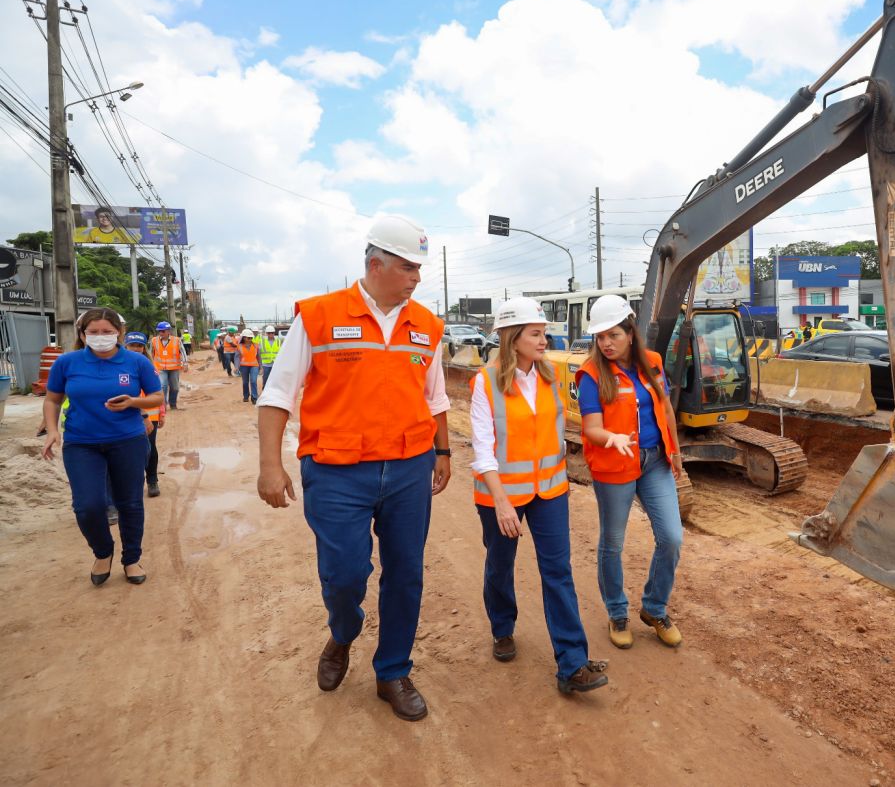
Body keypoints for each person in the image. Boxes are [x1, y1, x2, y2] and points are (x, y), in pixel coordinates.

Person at [257, 215, 452, 722]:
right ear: (375, 264)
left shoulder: (427, 325)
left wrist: (444, 452)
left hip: (408, 467)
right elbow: (277, 394)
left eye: (418, 269)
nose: (416, 278)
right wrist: (270, 466)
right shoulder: (319, 316)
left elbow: (434, 398)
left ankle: (393, 671)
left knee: (406, 573)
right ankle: (342, 633)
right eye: (408, 267)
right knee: (344, 574)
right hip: (337, 470)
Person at [470, 298, 608, 694]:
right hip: (502, 495)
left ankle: (572, 664)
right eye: (536, 333)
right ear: (513, 338)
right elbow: (482, 448)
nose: (544, 340)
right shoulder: (486, 382)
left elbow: (555, 433)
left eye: (544, 332)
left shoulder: (549, 377)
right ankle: (502, 627)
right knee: (500, 564)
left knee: (558, 571)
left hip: (549, 490)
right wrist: (501, 502)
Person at [577, 295, 685, 650]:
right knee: (613, 543)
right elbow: (591, 427)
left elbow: (665, 409)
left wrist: (675, 451)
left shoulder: (652, 362)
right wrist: (612, 438)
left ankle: (654, 608)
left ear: (630, 331)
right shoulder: (592, 374)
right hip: (615, 465)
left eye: (613, 335)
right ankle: (617, 611)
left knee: (672, 538)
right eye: (600, 337)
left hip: (655, 462)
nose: (606, 343)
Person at [41, 309, 163, 586]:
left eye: (106, 332)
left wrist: (133, 402)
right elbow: (52, 399)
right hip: (81, 443)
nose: (100, 337)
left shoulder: (136, 362)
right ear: (82, 335)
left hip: (128, 441)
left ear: (119, 332)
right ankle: (103, 551)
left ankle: (131, 559)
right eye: (93, 332)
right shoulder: (67, 362)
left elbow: (157, 397)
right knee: (88, 506)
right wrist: (52, 430)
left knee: (130, 503)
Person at [125, 332, 165, 497]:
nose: (136, 349)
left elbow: (158, 392)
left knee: (149, 448)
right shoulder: (118, 366)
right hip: (128, 414)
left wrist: (162, 412)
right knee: (129, 450)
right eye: (132, 345)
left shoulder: (149, 366)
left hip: (150, 414)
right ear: (126, 346)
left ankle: (152, 480)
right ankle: (132, 483)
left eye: (139, 346)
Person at [150, 321, 188, 410]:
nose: (161, 333)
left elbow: (183, 352)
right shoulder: (154, 341)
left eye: (163, 331)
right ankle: (163, 405)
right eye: (159, 331)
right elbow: (151, 353)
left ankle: (173, 404)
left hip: (174, 367)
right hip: (160, 367)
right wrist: (150, 365)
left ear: (168, 331)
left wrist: (185, 363)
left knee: (175, 387)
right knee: (163, 385)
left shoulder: (176, 340)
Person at [236, 329, 262, 403]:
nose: (250, 339)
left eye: (251, 338)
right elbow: (237, 357)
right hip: (243, 366)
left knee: (253, 381)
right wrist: (236, 367)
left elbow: (259, 357)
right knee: (245, 382)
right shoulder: (239, 346)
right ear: (244, 338)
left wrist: (261, 367)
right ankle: (246, 396)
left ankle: (254, 397)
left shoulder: (256, 345)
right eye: (248, 338)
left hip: (254, 366)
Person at [256, 324, 281, 391]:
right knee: (265, 377)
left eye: (272, 333)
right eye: (269, 333)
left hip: (275, 363)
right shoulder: (262, 341)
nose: (271, 334)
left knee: (274, 378)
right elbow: (259, 353)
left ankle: (272, 390)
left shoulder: (278, 341)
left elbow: (281, 352)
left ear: (274, 333)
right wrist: (260, 365)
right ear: (267, 333)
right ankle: (265, 389)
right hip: (265, 364)